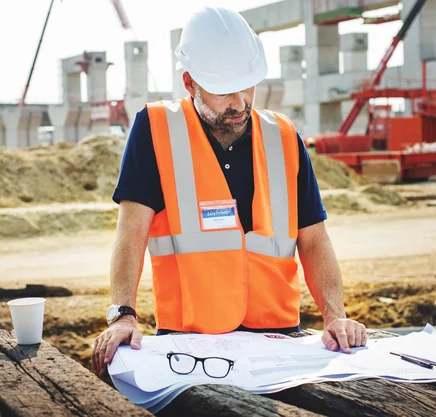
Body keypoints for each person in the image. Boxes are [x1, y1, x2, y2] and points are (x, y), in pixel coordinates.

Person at [91, 6, 367, 377]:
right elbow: (131, 234)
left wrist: (336, 316)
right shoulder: (156, 129)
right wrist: (122, 314)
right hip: (190, 346)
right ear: (190, 82)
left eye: (247, 85)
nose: (238, 102)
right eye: (223, 91)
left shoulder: (284, 137)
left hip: (278, 340)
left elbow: (314, 240)